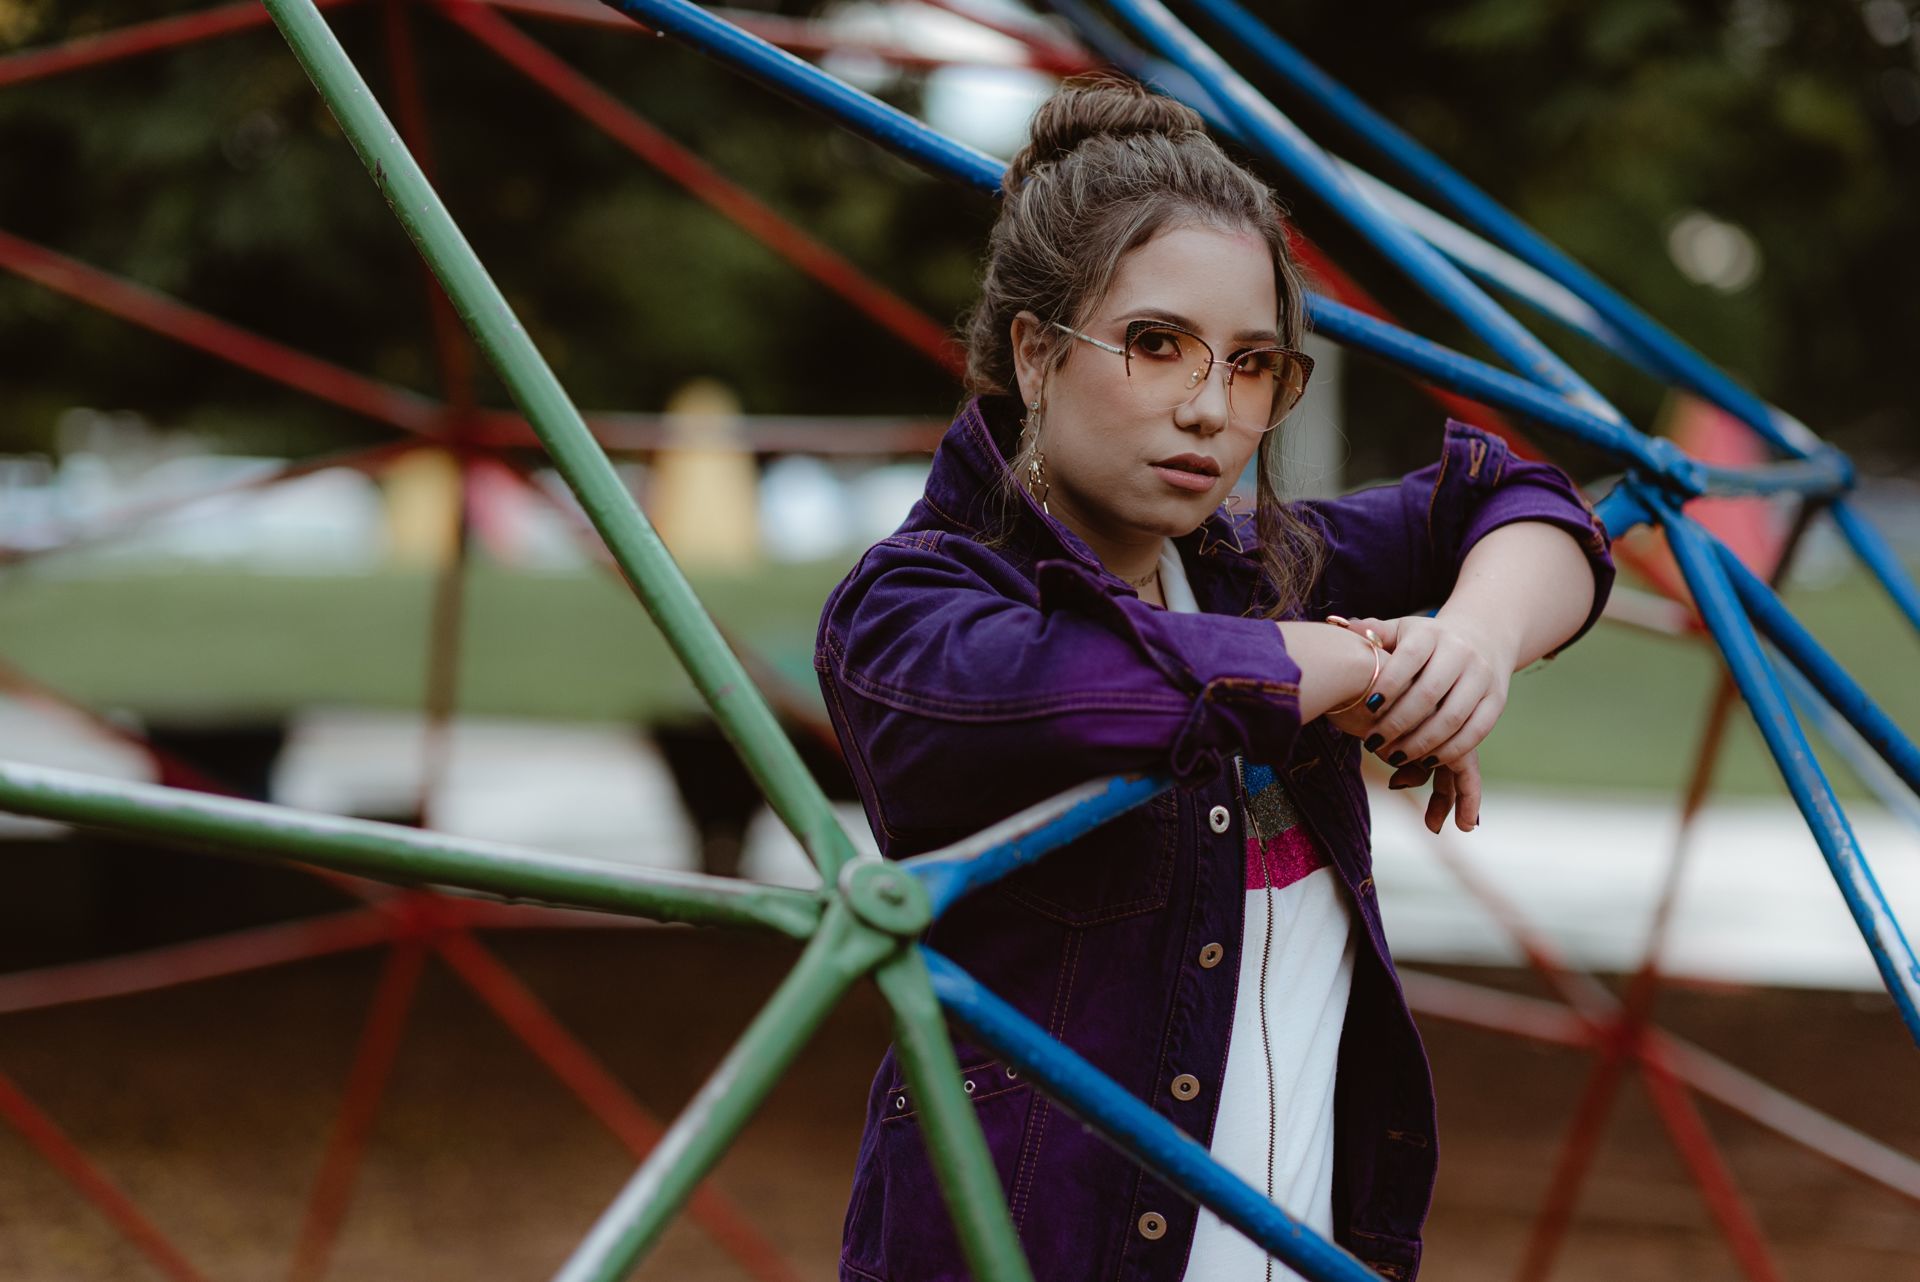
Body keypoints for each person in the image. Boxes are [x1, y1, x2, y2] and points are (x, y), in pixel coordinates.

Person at [813, 73, 1614, 1282]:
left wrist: (1469, 648)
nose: (1210, 408)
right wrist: (1349, 662)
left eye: (1252, 365)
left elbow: (1519, 498)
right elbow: (1088, 683)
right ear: (1034, 352)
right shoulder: (907, 612)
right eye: (1154, 345)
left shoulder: (1262, 571)